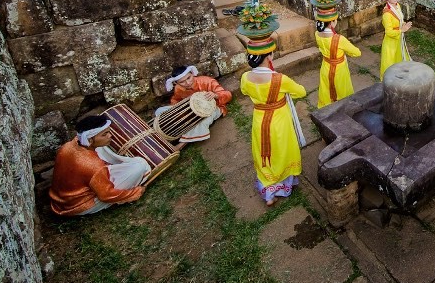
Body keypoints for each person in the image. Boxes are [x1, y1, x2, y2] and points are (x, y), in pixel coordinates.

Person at [240, 35, 308, 206]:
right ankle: (284, 184)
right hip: (279, 120)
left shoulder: (245, 77)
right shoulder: (280, 79)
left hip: (260, 119)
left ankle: (269, 192)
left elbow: (244, 91)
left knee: (264, 151)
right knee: (282, 149)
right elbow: (301, 92)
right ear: (269, 56)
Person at [49, 114, 150, 216]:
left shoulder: (67, 146)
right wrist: (135, 192)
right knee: (140, 167)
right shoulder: (93, 166)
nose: (110, 136)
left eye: (109, 132)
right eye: (104, 134)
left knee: (100, 148)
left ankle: (112, 166)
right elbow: (106, 195)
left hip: (62, 200)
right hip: (79, 205)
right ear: (90, 140)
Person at [154, 65, 231, 144]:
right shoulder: (178, 88)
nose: (187, 83)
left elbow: (228, 95)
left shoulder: (206, 81)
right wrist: (178, 109)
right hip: (190, 110)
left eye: (189, 78)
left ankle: (180, 145)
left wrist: (215, 95)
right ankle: (170, 131)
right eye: (182, 82)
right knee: (161, 110)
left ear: (192, 73)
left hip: (214, 108)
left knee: (201, 122)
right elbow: (175, 100)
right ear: (176, 83)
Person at [315, 18, 361, 108]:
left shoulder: (317, 34)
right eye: (335, 20)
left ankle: (325, 112)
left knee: (326, 91)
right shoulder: (339, 39)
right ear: (331, 22)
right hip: (339, 70)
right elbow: (357, 52)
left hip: (325, 67)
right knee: (343, 92)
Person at [379, 0, 412, 78]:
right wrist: (401, 30)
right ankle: (387, 81)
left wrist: (404, 24)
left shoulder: (397, 6)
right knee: (389, 62)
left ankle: (399, 78)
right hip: (390, 41)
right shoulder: (387, 14)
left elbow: (400, 20)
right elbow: (388, 32)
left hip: (398, 39)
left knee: (399, 57)